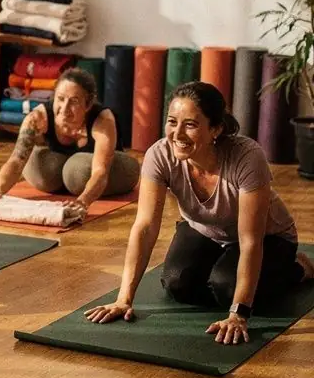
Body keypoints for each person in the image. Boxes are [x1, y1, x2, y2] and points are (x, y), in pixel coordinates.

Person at [85, 81, 313, 344]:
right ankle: (224, 272)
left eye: (190, 125)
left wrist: (238, 313)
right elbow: (145, 226)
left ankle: (299, 268)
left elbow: (251, 240)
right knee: (177, 283)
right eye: (172, 122)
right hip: (205, 229)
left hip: (269, 238)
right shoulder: (160, 155)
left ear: (215, 129)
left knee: (226, 288)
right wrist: (123, 299)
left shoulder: (247, 157)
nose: (177, 134)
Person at [0, 68, 139, 213]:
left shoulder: (102, 120)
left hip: (109, 169)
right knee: (36, 164)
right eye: (60, 99)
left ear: (88, 105)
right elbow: (16, 159)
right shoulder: (37, 118)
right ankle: (68, 183)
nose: (64, 109)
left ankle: (74, 185)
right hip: (67, 167)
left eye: (74, 101)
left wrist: (82, 202)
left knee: (77, 171)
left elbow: (100, 171)